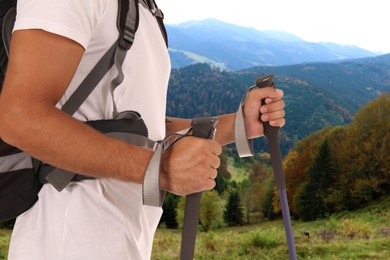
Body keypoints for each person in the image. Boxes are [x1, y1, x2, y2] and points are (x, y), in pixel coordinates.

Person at [0, 0, 285, 259]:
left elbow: (138, 129)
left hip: (123, 240)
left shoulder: (146, 10)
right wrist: (159, 169)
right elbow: (18, 117)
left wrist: (237, 125)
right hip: (66, 242)